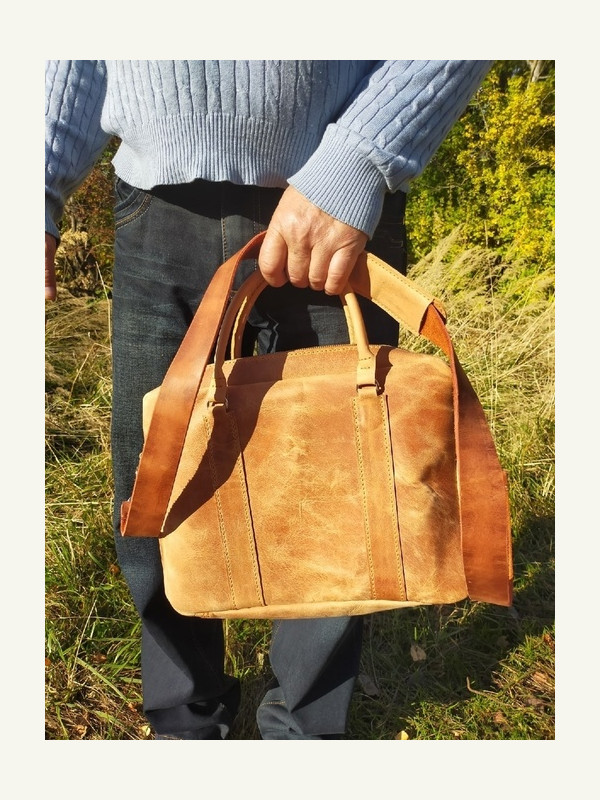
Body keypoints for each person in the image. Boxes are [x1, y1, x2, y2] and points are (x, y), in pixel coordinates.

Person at [45, 60, 493, 740]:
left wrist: (357, 161)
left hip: (334, 204)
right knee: (159, 487)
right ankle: (185, 722)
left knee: (342, 498)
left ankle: (304, 733)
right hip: (159, 205)